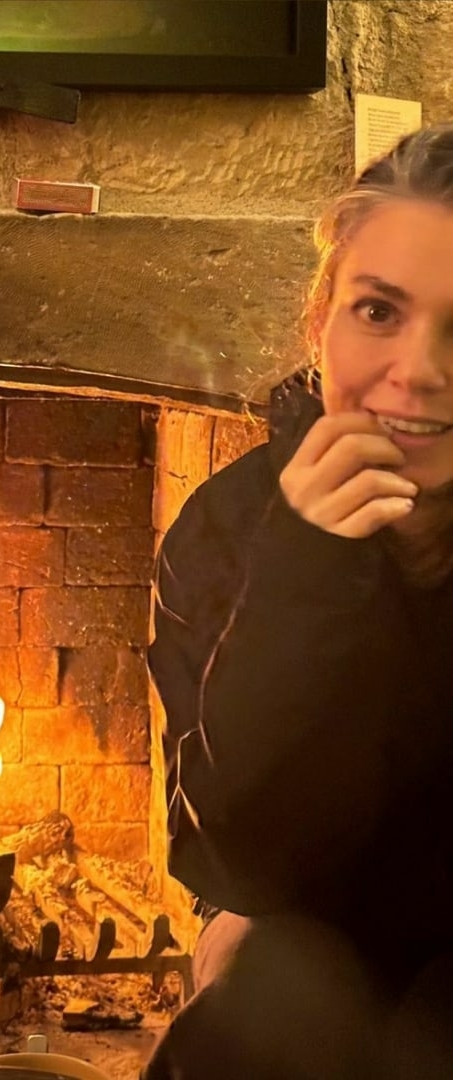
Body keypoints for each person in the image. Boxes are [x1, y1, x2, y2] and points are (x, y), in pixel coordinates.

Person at [142, 122, 453, 1079]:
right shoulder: (227, 528)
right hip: (297, 929)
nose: (419, 371)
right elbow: (241, 867)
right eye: (377, 311)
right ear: (321, 321)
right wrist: (308, 564)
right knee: (277, 991)